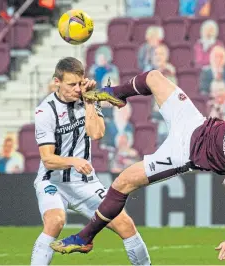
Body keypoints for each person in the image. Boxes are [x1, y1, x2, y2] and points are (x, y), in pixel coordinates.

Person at [51, 70, 225, 261]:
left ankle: (84, 238)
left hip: (182, 153)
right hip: (193, 122)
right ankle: (116, 94)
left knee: (123, 182)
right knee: (154, 77)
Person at [31, 57, 151, 265]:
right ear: (57, 82)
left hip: (85, 183)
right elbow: (48, 160)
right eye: (71, 84)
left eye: (79, 83)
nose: (77, 89)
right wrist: (73, 161)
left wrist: (89, 103)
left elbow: (97, 134)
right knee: (55, 222)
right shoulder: (45, 112)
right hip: (52, 182)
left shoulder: (88, 99)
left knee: (125, 224)